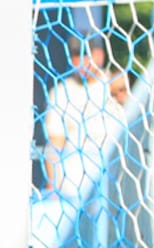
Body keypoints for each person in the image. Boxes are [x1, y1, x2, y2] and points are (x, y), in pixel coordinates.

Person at [42, 35, 129, 195]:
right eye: (77, 56)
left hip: (113, 177)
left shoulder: (114, 84)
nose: (83, 61)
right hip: (75, 182)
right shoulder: (61, 92)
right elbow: (54, 144)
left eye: (87, 55)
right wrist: (53, 187)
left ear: (100, 55)